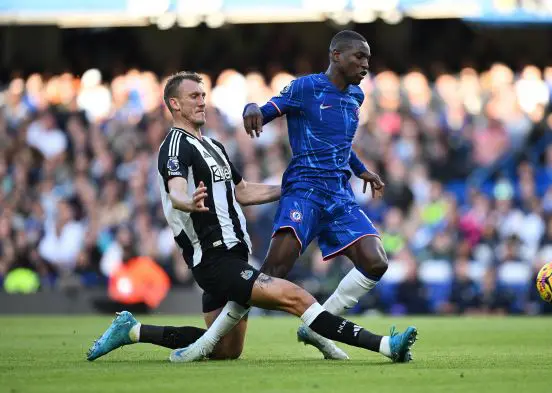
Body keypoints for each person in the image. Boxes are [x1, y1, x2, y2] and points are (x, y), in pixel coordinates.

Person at [87, 71, 417, 363]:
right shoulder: (175, 145)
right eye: (193, 97)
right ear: (174, 104)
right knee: (298, 298)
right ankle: (386, 346)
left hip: (234, 252)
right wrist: (186, 202)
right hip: (215, 259)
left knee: (226, 349)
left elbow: (243, 192)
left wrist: (289, 188)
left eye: (203, 95)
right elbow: (175, 190)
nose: (201, 102)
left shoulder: (213, 145)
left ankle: (133, 331)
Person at [242, 30, 390, 359]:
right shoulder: (305, 87)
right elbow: (267, 110)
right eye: (359, 56)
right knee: (271, 274)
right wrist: (252, 106)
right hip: (305, 191)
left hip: (338, 194)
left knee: (376, 261)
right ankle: (211, 339)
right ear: (336, 55)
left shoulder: (356, 96)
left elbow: (339, 144)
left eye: (368, 57)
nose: (366, 64)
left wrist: (360, 168)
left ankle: (316, 326)